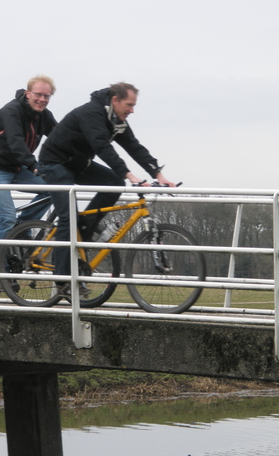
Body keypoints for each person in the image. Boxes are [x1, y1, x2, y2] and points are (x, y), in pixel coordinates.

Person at [38, 82, 176, 298]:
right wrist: (129, 175)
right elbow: (102, 147)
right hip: (54, 163)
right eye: (129, 105)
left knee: (114, 185)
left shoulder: (116, 119)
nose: (132, 110)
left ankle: (83, 229)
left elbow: (133, 146)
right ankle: (62, 280)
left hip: (77, 163)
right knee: (68, 218)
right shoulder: (92, 113)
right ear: (115, 100)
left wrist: (158, 174)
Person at [0, 75, 57, 291]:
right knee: (7, 217)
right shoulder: (11, 111)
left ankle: (25, 224)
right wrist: (34, 165)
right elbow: (16, 142)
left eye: (47, 96)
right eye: (38, 94)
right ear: (28, 93)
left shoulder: (44, 116)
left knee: (53, 189)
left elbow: (59, 138)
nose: (42, 99)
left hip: (17, 169)